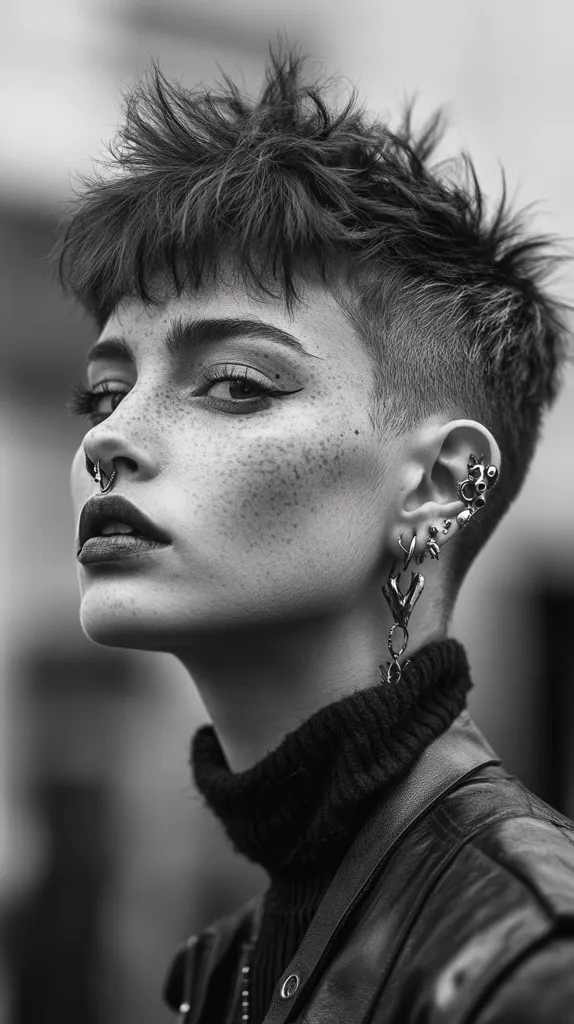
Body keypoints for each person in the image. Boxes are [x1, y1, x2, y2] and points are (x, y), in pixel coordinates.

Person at [59, 40, 574, 1024]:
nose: (111, 438)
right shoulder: (233, 960)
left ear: (438, 486)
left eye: (236, 385)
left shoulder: (526, 961)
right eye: (105, 392)